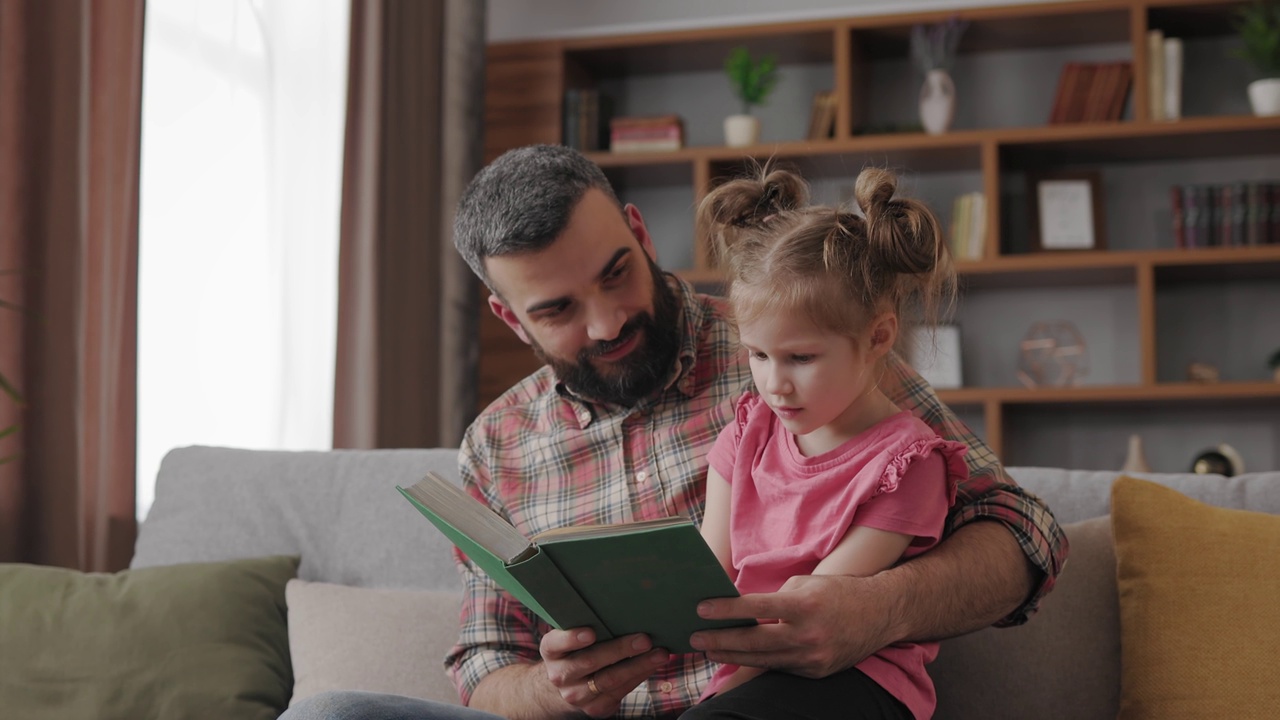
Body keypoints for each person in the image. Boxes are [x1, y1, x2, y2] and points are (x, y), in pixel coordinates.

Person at [283, 144, 1067, 720]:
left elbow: (1023, 531)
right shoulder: (496, 443)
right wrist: (556, 688)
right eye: (557, 310)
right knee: (329, 717)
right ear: (506, 316)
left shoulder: (798, 346)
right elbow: (484, 661)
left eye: (615, 273)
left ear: (640, 232)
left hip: (766, 706)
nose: (608, 320)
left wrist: (878, 607)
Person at [683, 166, 967, 720]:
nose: (774, 383)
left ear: (879, 336)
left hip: (854, 680)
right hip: (750, 677)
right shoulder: (746, 433)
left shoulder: (908, 462)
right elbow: (706, 574)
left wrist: (727, 690)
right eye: (759, 356)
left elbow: (813, 611)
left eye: (801, 358)